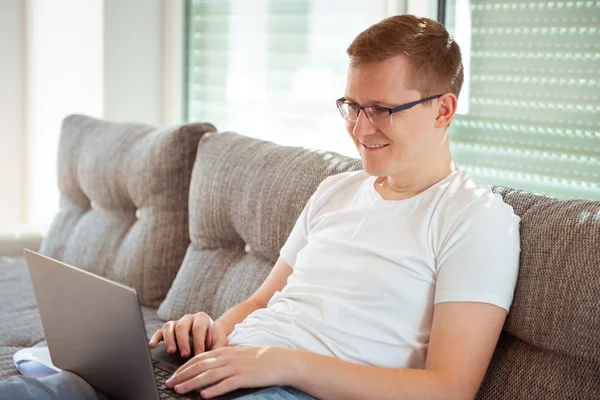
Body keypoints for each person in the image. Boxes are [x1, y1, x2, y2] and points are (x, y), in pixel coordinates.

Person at [0, 14, 520, 400]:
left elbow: (450, 388)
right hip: (232, 366)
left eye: (382, 110)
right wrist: (213, 330)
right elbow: (265, 300)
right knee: (32, 390)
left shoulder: (476, 219)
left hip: (297, 391)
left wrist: (282, 365)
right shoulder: (335, 191)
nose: (360, 130)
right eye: (352, 107)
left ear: (443, 110)